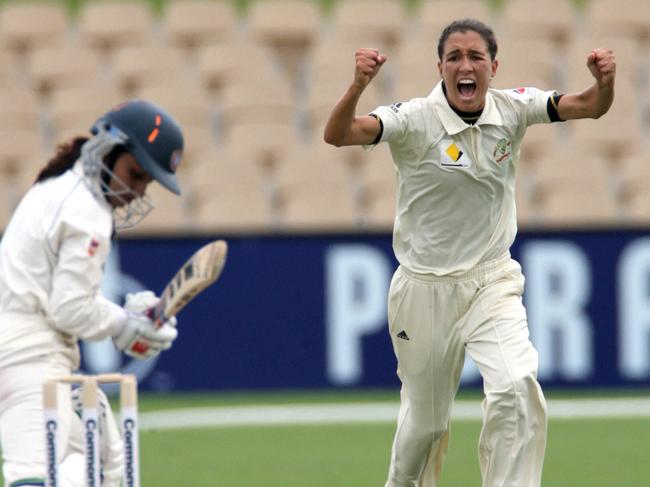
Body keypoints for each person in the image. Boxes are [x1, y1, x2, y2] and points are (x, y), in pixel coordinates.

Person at [324, 18, 615, 487]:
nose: (465, 66)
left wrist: (605, 84)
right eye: (455, 57)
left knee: (517, 387)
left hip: (491, 280)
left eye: (475, 57)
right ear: (440, 67)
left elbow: (588, 106)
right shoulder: (414, 119)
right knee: (427, 426)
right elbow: (338, 134)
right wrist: (357, 86)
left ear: (494, 66)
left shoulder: (513, 108)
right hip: (423, 289)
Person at [0, 99, 185, 487]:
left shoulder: (59, 183)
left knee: (103, 463)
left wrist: (129, 320)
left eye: (146, 182)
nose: (137, 191)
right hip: (26, 360)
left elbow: (57, 299)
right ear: (109, 148)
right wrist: (126, 324)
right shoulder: (87, 211)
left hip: (28, 349)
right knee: (32, 476)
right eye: (135, 173)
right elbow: (69, 310)